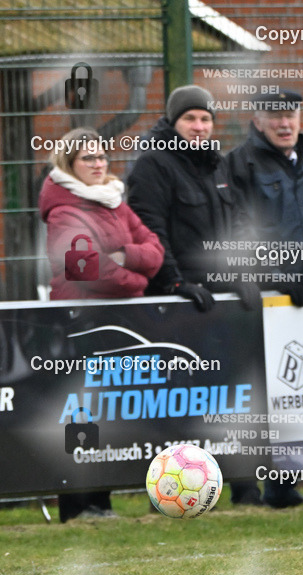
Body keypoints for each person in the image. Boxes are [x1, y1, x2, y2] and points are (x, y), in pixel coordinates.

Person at [126, 84, 263, 505]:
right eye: (190, 119)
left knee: (232, 397)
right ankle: (164, 492)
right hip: (176, 304)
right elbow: (151, 228)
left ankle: (243, 487)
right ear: (173, 122)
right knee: (176, 402)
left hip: (220, 303)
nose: (199, 126)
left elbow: (233, 227)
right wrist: (175, 282)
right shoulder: (152, 165)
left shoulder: (216, 165)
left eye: (206, 119)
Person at [226, 89, 303, 508]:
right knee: (258, 394)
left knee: (298, 392)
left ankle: (283, 485)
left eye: (291, 114)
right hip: (266, 301)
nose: (284, 123)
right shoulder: (239, 164)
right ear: (257, 120)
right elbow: (239, 230)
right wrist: (275, 276)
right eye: (274, 116)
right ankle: (247, 488)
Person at [40, 127, 164, 521]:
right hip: (80, 325)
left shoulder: (115, 201)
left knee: (110, 414)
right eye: (87, 159)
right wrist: (139, 278)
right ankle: (76, 506)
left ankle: (101, 501)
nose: (97, 165)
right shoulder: (63, 211)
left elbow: (154, 249)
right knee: (82, 416)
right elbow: (88, 269)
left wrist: (125, 256)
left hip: (118, 322)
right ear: (69, 164)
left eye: (101, 157)